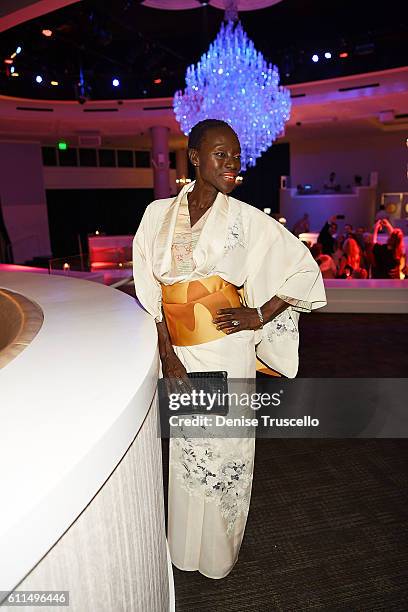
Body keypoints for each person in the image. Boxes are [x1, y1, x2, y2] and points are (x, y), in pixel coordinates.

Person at [132, 119, 327, 579]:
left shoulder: (244, 218)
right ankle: (183, 550)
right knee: (187, 449)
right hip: (180, 354)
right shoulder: (156, 215)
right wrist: (166, 353)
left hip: (226, 350)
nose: (232, 164)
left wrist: (259, 314)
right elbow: (151, 290)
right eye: (221, 154)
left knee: (225, 451)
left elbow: (303, 268)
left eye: (237, 156)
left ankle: (218, 556)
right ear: (195, 158)